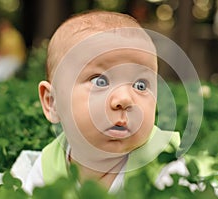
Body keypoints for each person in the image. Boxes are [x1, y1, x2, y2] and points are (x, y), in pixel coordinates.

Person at [23, 10, 182, 195]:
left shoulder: (164, 164)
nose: (124, 99)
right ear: (52, 102)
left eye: (140, 85)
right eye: (100, 81)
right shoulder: (47, 167)